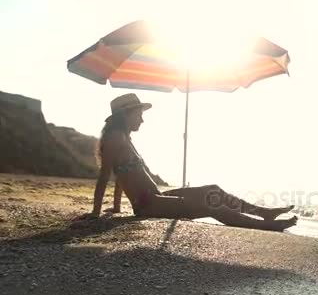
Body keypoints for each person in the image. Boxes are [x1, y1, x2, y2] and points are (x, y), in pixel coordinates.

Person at [78, 93, 297, 232]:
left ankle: (263, 212)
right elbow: (105, 175)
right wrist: (96, 212)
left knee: (213, 190)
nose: (142, 119)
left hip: (157, 198)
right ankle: (267, 225)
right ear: (125, 115)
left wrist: (116, 207)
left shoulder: (124, 138)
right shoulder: (115, 138)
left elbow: (121, 175)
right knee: (210, 205)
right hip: (149, 205)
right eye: (138, 114)